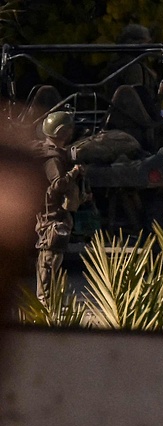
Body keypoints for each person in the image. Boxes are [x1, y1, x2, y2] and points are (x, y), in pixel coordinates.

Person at [34, 111, 84, 300]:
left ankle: (49, 299)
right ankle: (45, 300)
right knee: (49, 258)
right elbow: (58, 185)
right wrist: (74, 173)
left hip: (55, 213)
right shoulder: (53, 159)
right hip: (52, 216)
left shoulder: (54, 153)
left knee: (53, 259)